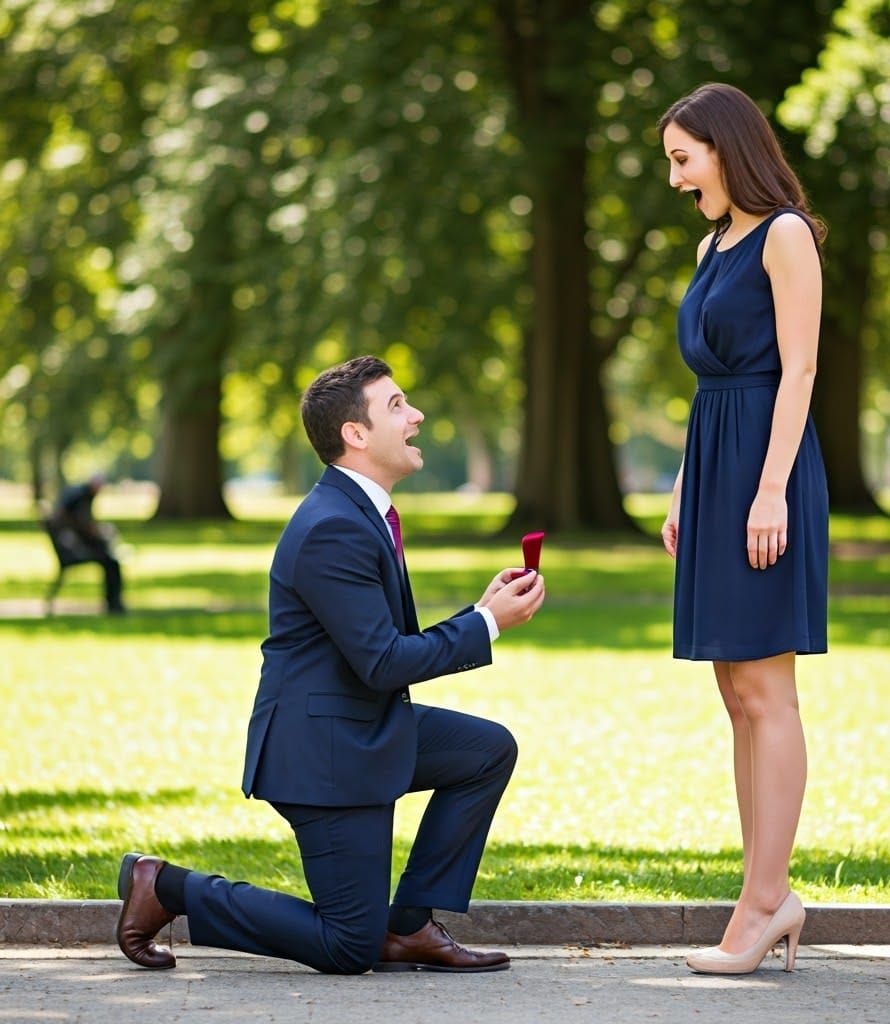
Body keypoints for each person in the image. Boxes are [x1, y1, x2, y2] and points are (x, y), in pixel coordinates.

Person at [116, 356, 546, 975]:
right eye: (397, 405)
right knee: (347, 946)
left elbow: (372, 644)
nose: (416, 414)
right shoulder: (332, 527)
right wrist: (486, 625)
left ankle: (412, 925)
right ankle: (168, 887)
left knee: (485, 750)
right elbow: (381, 662)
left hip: (360, 728)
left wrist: (479, 610)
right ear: (356, 434)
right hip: (322, 752)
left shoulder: (358, 512)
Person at [657, 83, 829, 975]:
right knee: (737, 696)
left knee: (769, 693)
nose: (679, 180)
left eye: (685, 159)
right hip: (719, 469)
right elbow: (709, 385)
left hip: (768, 473)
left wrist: (769, 493)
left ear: (727, 149)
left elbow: (797, 371)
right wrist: (688, 486)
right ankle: (766, 892)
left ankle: (767, 901)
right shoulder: (709, 243)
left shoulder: (786, 235)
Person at [48, 472, 125, 614]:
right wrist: (98, 533)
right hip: (75, 551)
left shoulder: (80, 496)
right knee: (111, 562)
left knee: (111, 559)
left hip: (76, 547)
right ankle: (114, 603)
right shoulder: (81, 498)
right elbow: (82, 525)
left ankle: (114, 602)